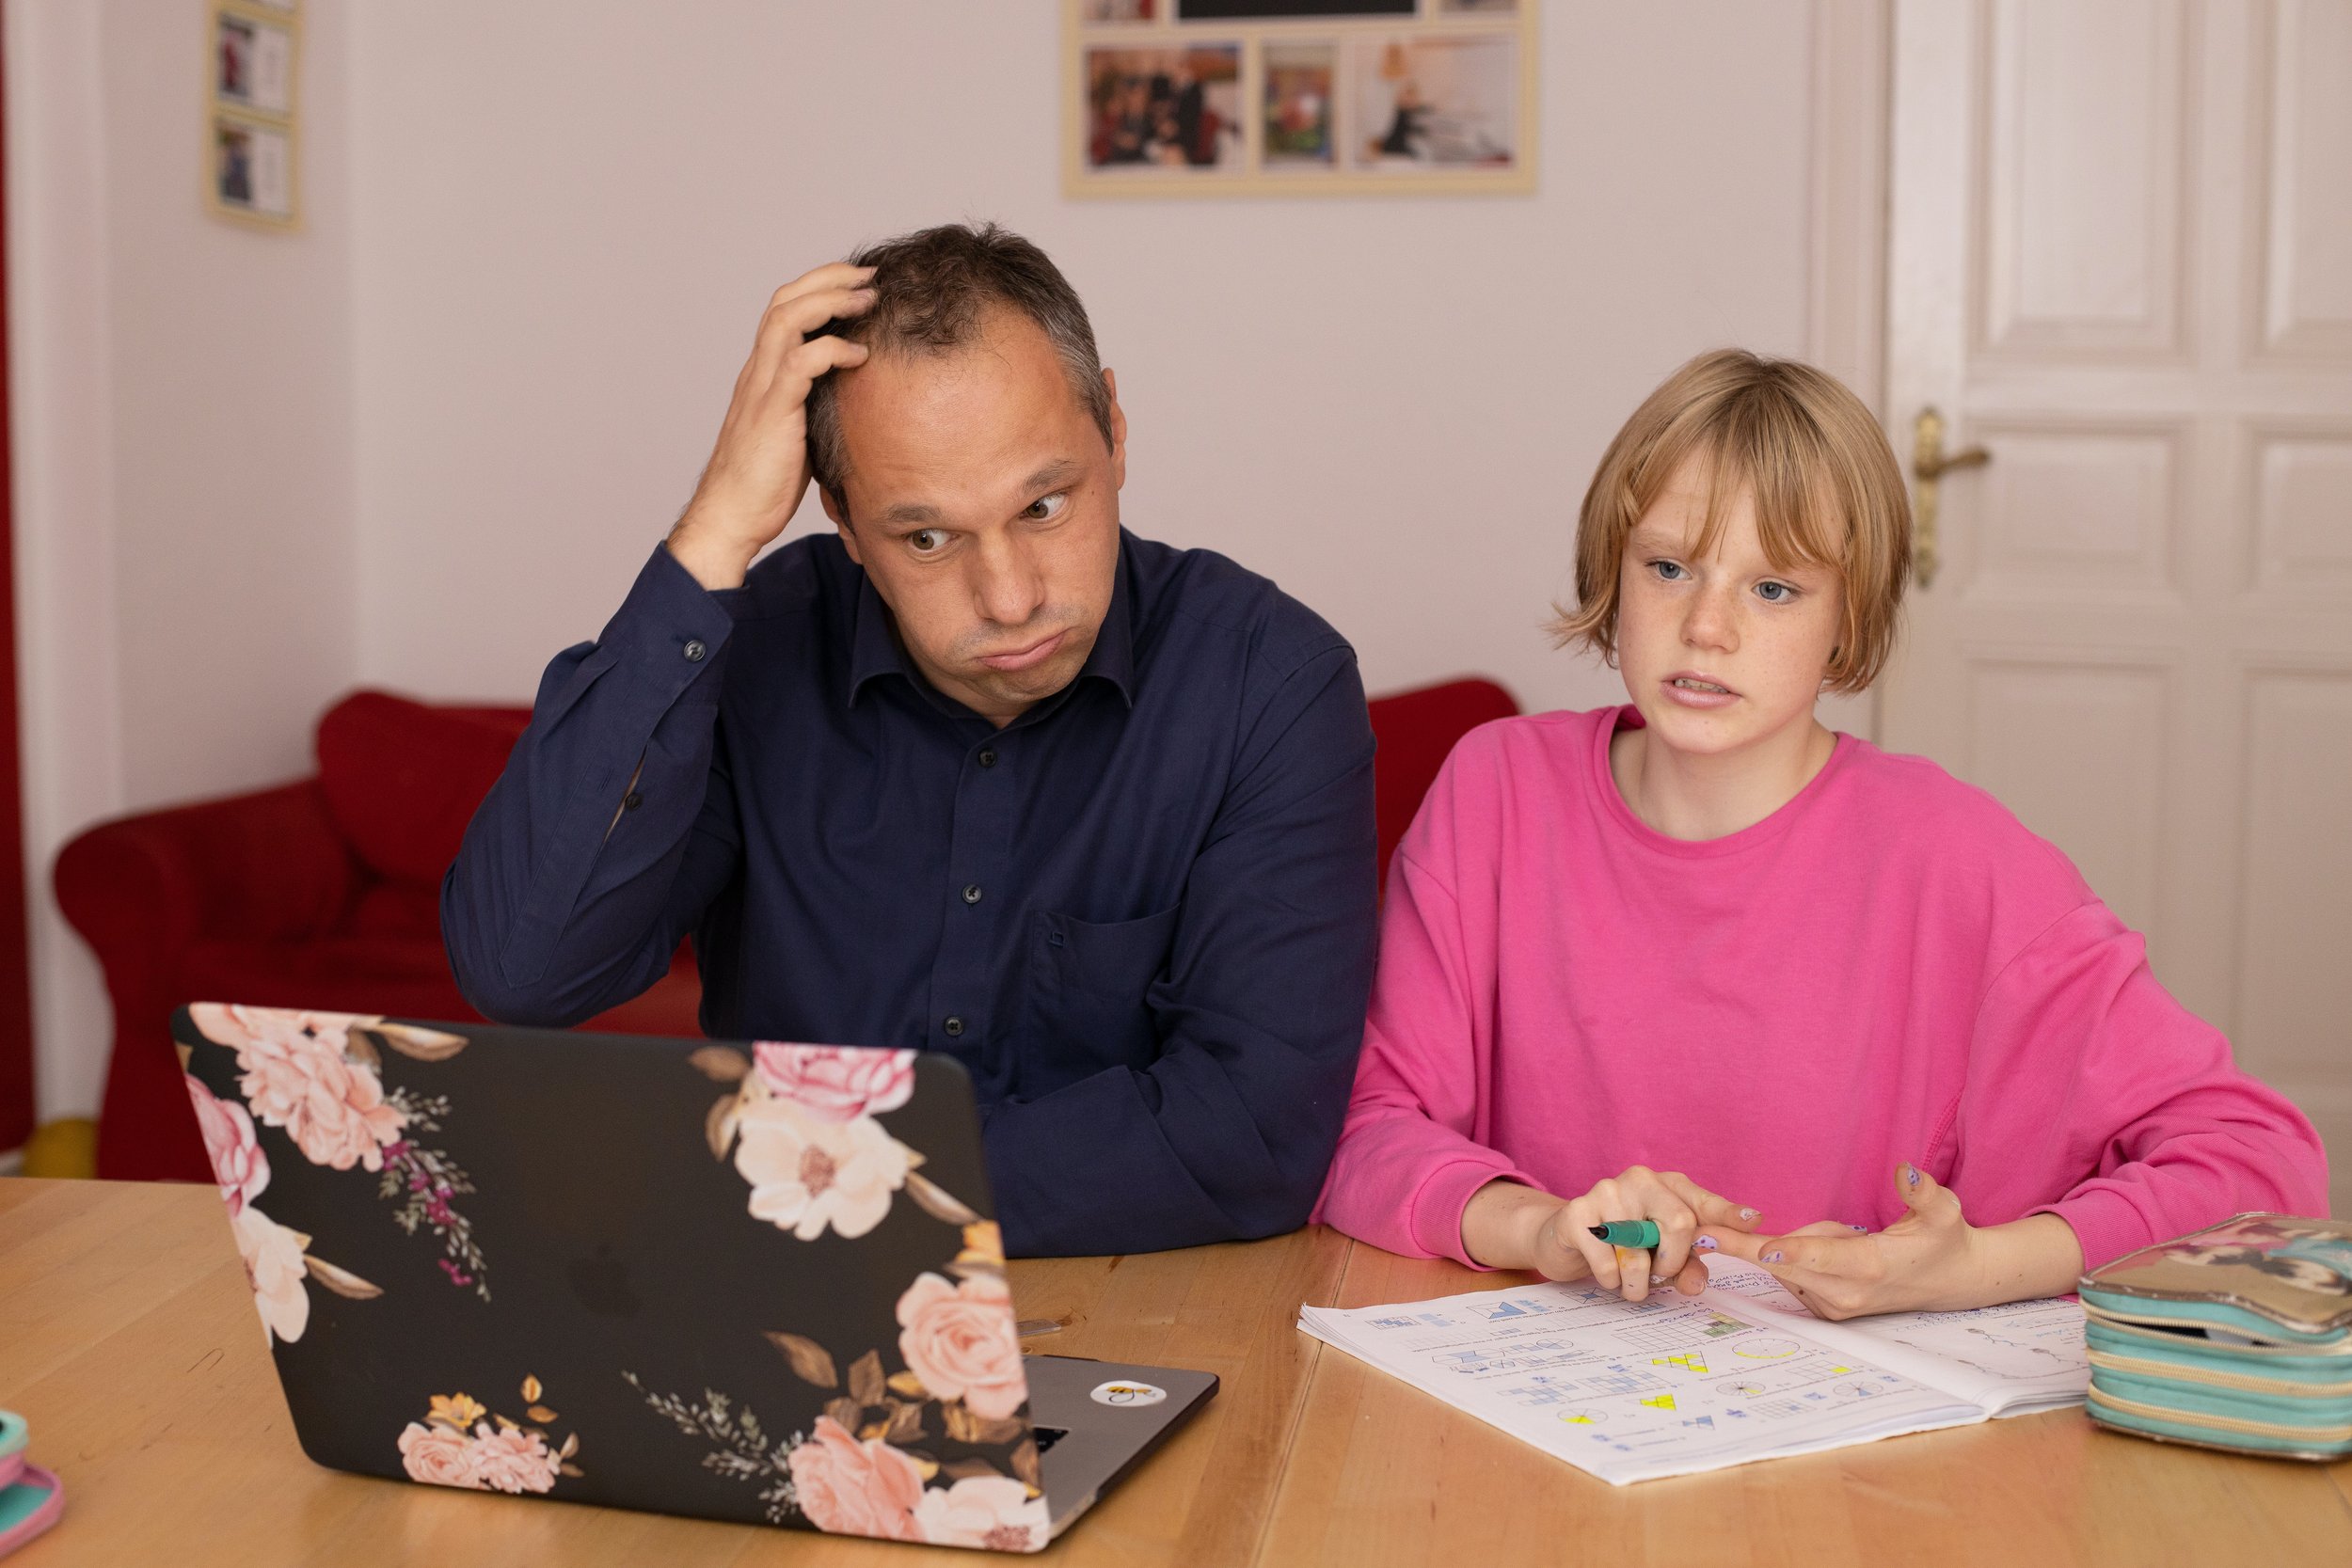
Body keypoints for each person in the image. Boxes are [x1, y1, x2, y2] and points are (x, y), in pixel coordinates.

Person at [1311, 349, 2329, 1320]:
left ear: (1848, 618)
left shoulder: (1956, 858)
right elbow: (1361, 1129)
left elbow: (2258, 1159)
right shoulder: (1495, 790)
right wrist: (1540, 1227)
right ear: (1610, 573)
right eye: (1668, 567)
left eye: (1772, 588)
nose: (1707, 627)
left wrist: (1977, 1265)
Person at [444, 224, 1378, 1258]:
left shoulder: (1268, 680)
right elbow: (525, 971)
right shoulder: (746, 652)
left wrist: (851, 1186)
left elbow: (1253, 1134)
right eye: (926, 536)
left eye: (1045, 503)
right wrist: (713, 531)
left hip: (1146, 1298)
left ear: (1114, 427)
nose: (1012, 596)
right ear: (839, 517)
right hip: (792, 1309)